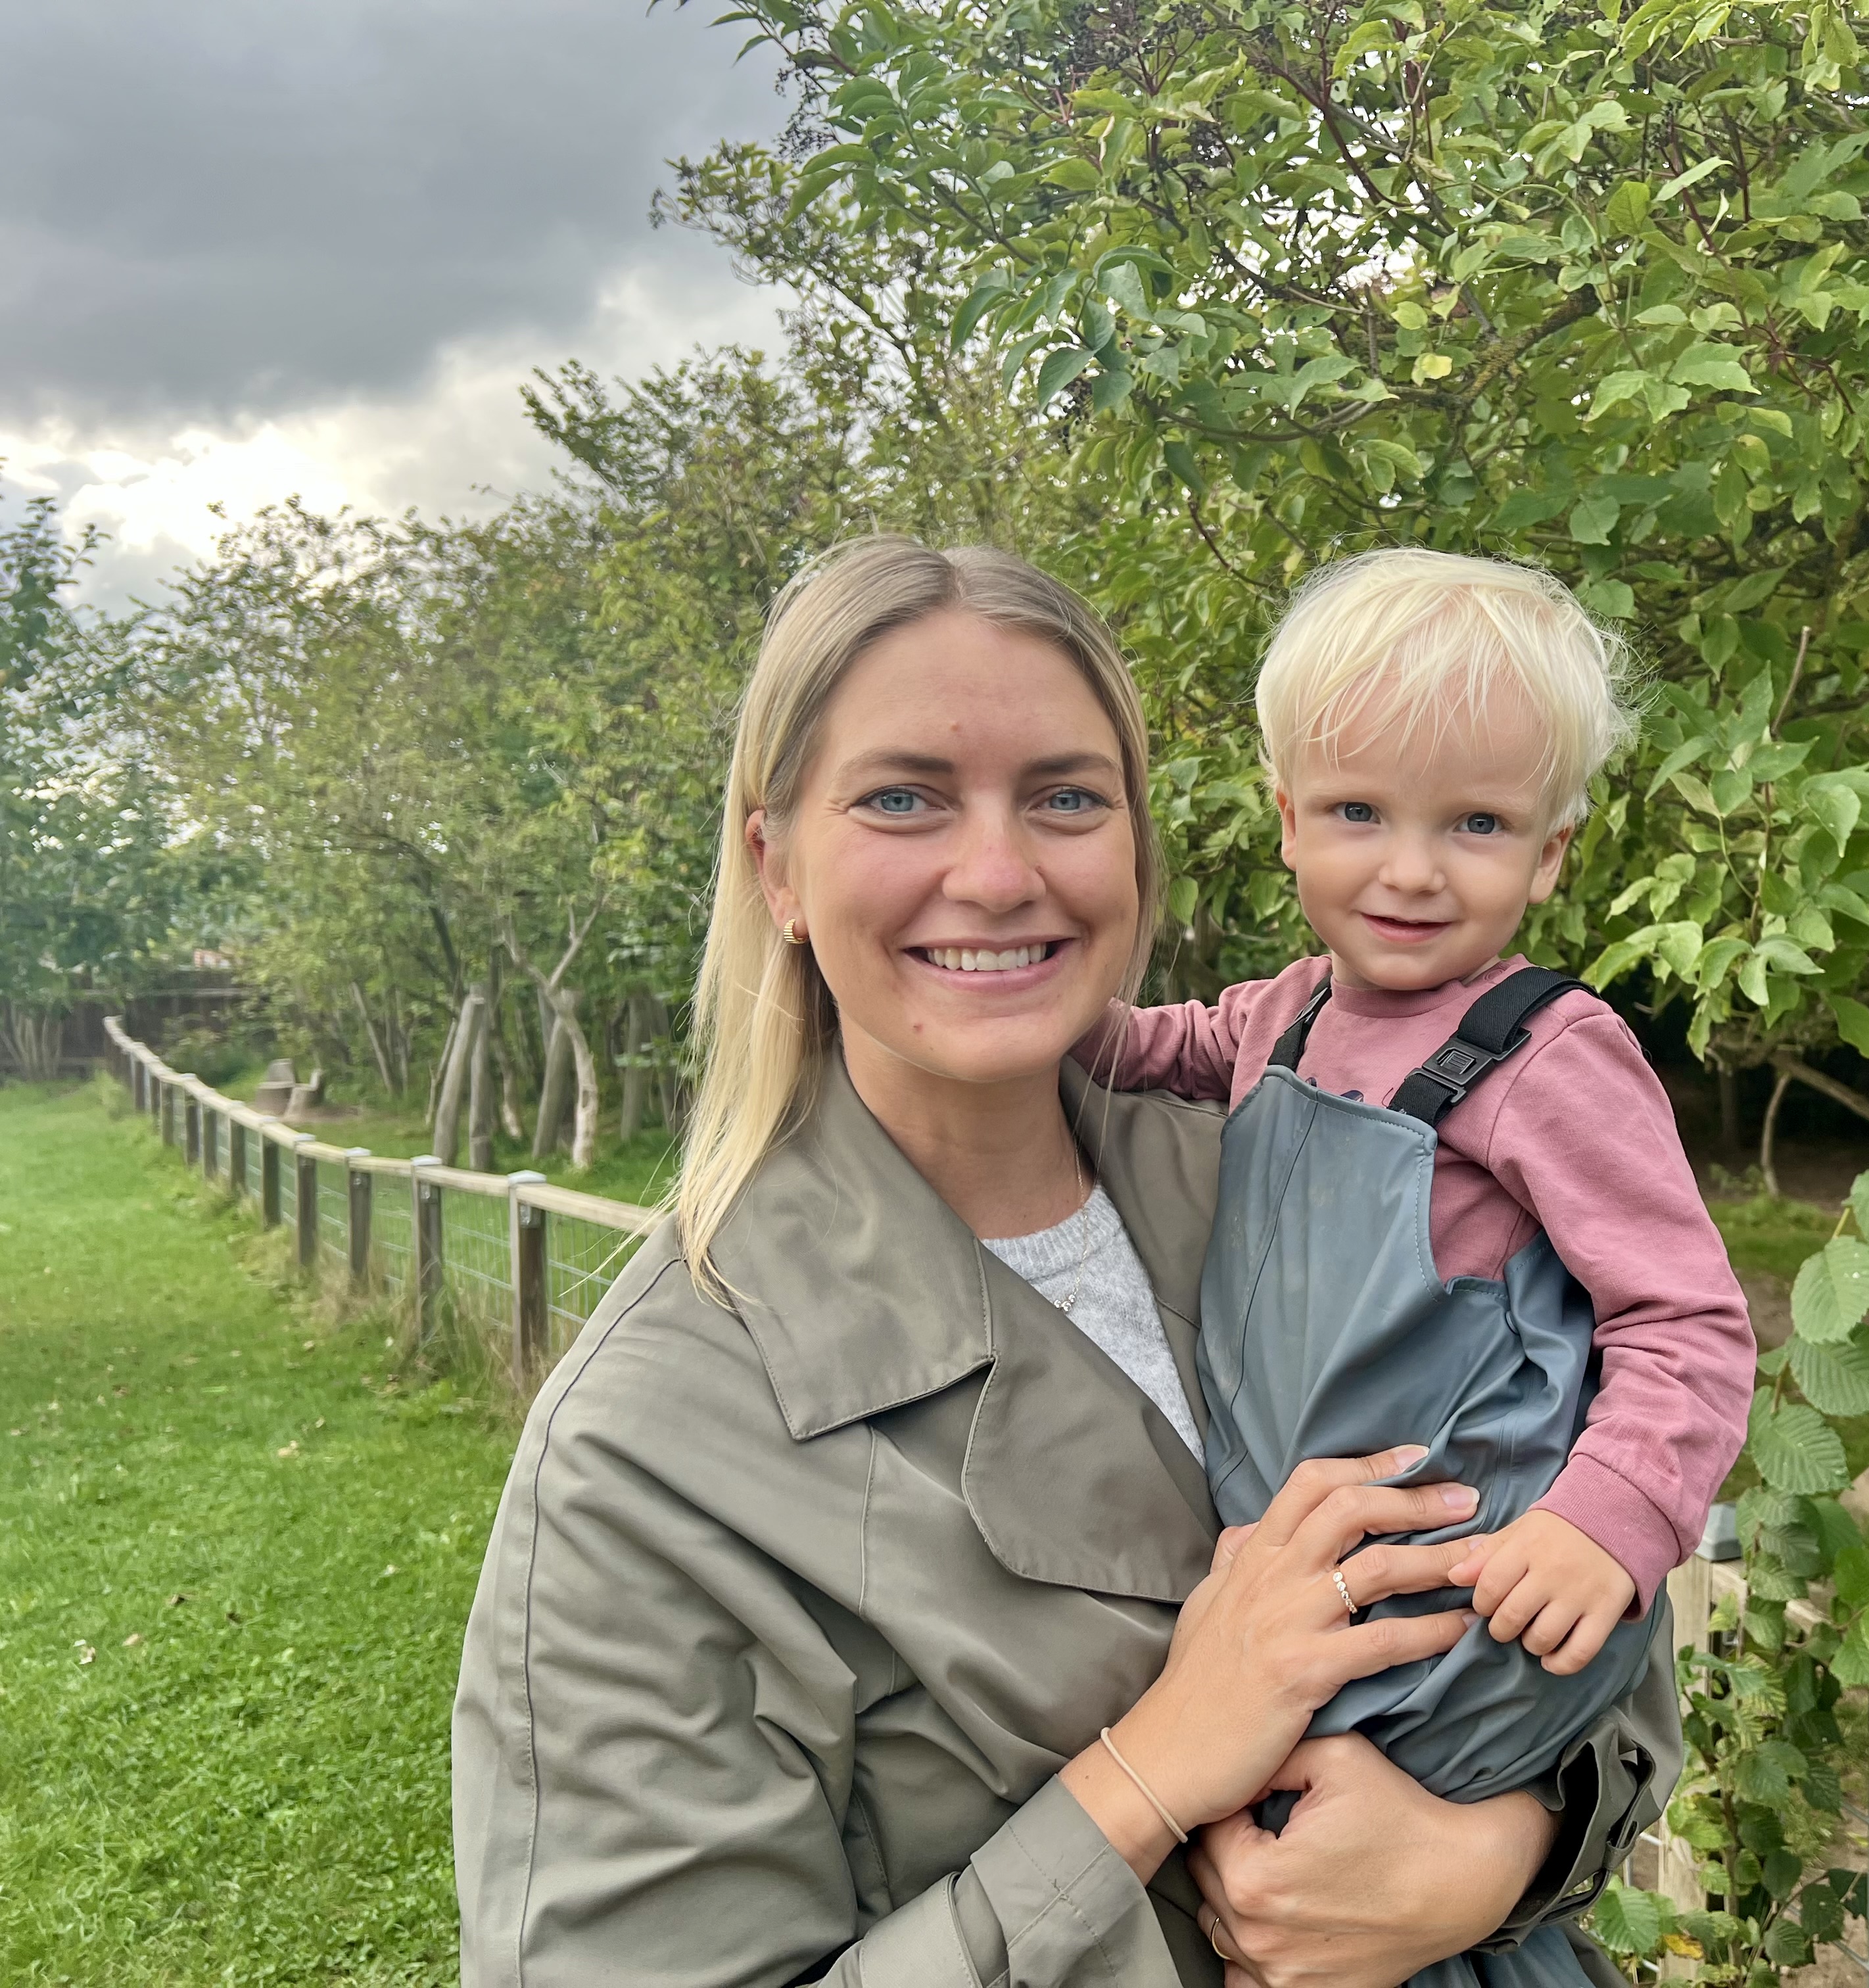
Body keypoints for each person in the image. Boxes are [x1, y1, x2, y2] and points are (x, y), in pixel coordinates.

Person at [450, 536, 1680, 1988]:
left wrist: (1501, 1851)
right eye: (903, 797)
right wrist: (1144, 1777)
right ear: (776, 865)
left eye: (1066, 798)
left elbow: (1594, 1590)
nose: (997, 873)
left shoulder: (1322, 1171)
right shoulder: (650, 1449)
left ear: (1138, 847)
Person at [1081, 550, 1755, 1987]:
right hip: (1310, 1583)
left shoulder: (1547, 1055)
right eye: (1359, 813)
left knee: (1393, 1914)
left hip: (1465, 1611)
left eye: (1477, 824)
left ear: (1552, 851)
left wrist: (1609, 1519)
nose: (1409, 868)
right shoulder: (1287, 1015)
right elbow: (1164, 1046)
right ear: (1287, 820)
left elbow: (1688, 1319)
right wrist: (1052, 1009)